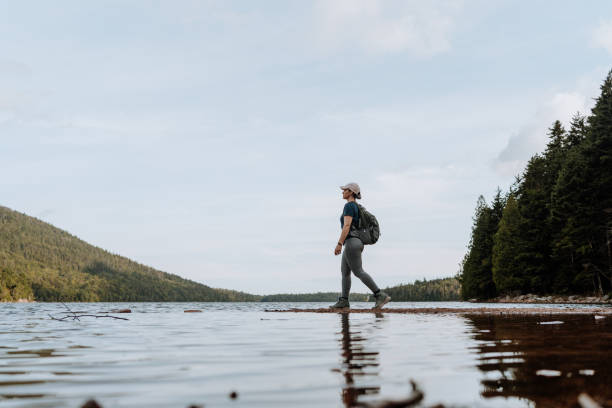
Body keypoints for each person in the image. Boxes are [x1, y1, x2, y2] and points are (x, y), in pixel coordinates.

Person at [331, 182, 390, 310]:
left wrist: (339, 243)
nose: (342, 192)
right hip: (354, 243)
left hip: (352, 242)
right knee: (345, 272)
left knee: (358, 271)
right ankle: (344, 301)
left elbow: (347, 226)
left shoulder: (349, 206)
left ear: (351, 192)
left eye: (345, 190)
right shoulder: (356, 206)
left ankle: (379, 294)